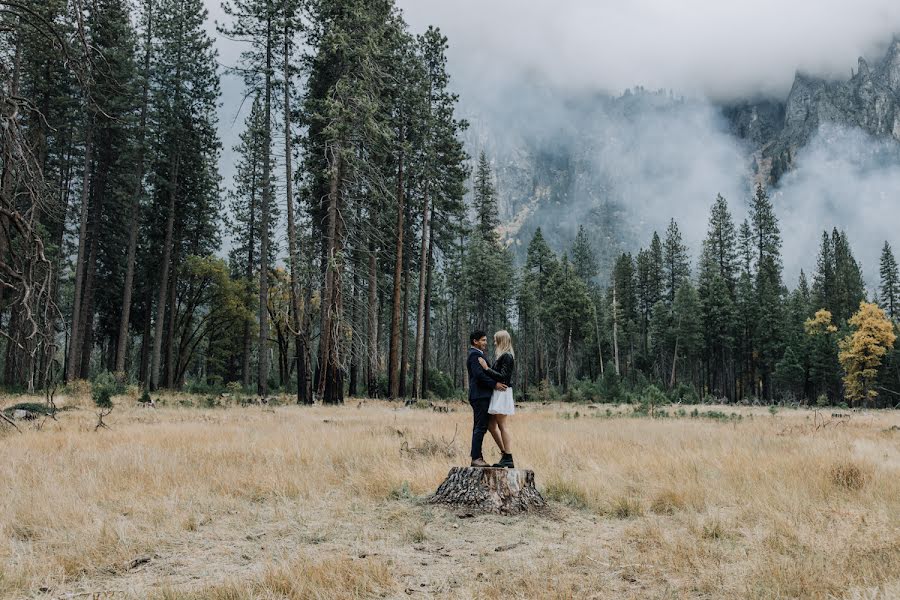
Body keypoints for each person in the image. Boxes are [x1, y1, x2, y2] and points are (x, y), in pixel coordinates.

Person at [467, 330, 507, 467]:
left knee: (482, 426)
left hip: (482, 395)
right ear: (475, 341)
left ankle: (479, 456)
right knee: (480, 427)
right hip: (479, 396)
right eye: (483, 340)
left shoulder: (479, 355)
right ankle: (476, 458)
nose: (486, 342)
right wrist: (494, 384)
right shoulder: (474, 355)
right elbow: (479, 375)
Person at [479, 330, 516, 468]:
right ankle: (505, 454)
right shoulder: (503, 356)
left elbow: (503, 377)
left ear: (502, 341)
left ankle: (508, 456)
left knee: (502, 425)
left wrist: (486, 368)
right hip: (498, 392)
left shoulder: (507, 356)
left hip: (503, 392)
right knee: (491, 425)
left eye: (496, 340)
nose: (494, 343)